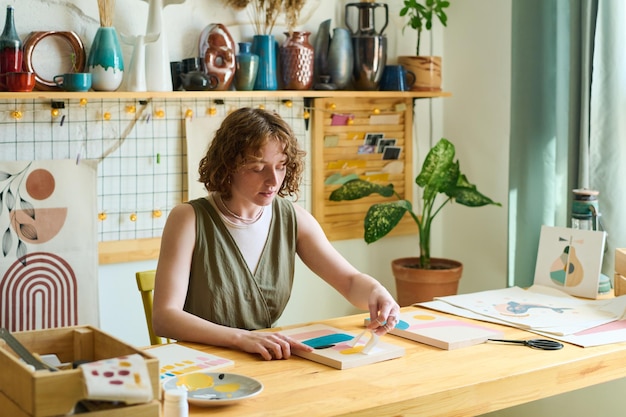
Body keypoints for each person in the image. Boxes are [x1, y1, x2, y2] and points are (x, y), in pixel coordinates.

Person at [153, 107, 400, 361]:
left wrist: (376, 292)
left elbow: (349, 282)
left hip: (266, 359)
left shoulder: (294, 218)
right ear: (228, 165)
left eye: (281, 166)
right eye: (258, 168)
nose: (273, 180)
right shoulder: (188, 219)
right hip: (200, 365)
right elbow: (164, 318)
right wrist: (241, 338)